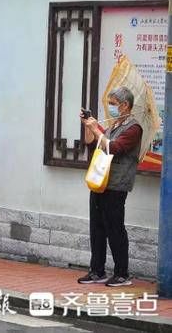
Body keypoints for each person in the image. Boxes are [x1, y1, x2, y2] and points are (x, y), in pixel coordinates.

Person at [79, 86, 142, 288]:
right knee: (97, 227)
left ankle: (122, 273)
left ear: (125, 105)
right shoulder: (113, 125)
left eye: (114, 104)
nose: (111, 107)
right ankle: (97, 270)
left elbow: (113, 147)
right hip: (100, 181)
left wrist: (97, 129)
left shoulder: (134, 128)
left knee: (115, 228)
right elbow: (94, 144)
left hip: (116, 185)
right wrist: (89, 127)